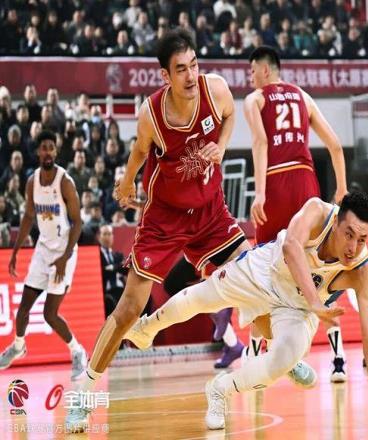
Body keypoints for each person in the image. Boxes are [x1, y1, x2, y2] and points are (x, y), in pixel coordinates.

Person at [65, 29, 253, 432]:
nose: (191, 75)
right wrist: (125, 184)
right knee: (127, 310)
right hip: (164, 217)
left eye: (194, 65)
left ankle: (276, 355)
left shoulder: (216, 90)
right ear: (165, 76)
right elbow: (138, 152)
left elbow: (231, 115)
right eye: (181, 69)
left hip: (210, 210)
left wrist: (222, 145)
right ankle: (84, 394)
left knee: (253, 272)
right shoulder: (151, 114)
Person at [125, 192, 368, 431]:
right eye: (348, 235)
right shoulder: (317, 211)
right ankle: (146, 327)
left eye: (362, 240)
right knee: (203, 297)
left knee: (281, 360)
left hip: (297, 307)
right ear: (335, 224)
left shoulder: (362, 272)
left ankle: (220, 390)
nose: (353, 247)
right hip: (265, 271)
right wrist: (316, 302)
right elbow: (291, 247)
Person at [243, 46, 349, 382]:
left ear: (264, 70)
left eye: (251, 71)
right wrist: (342, 190)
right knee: (317, 272)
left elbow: (260, 143)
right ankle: (338, 358)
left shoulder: (255, 99)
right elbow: (335, 145)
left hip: (276, 183)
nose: (250, 78)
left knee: (264, 273)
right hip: (306, 185)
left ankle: (261, 353)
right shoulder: (303, 96)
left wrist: (260, 192)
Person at [0, 130, 87, 379]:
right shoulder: (32, 182)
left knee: (49, 314)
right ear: (38, 152)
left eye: (51, 147)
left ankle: (78, 351)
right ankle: (18, 346)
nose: (47, 152)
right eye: (44, 148)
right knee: (23, 309)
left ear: (56, 152)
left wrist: (64, 258)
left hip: (64, 251)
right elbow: (29, 216)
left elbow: (78, 223)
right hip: (43, 249)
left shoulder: (65, 181)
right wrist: (15, 251)